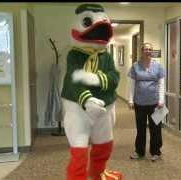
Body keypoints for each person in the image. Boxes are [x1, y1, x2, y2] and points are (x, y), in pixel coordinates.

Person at [61, 4, 122, 180]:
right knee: (79, 151)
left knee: (103, 147)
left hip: (105, 109)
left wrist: (96, 79)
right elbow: (73, 81)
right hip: (79, 110)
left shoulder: (107, 56)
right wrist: (87, 101)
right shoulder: (74, 55)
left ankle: (97, 174)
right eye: (88, 22)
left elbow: (114, 78)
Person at [128, 42, 165, 162]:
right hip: (139, 103)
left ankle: (156, 152)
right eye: (145, 49)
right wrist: (130, 99)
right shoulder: (135, 66)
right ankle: (139, 151)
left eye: (150, 49)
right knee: (141, 128)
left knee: (156, 128)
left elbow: (161, 84)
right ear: (142, 51)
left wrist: (161, 100)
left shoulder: (158, 66)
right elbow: (132, 84)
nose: (148, 51)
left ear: (151, 51)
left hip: (155, 104)